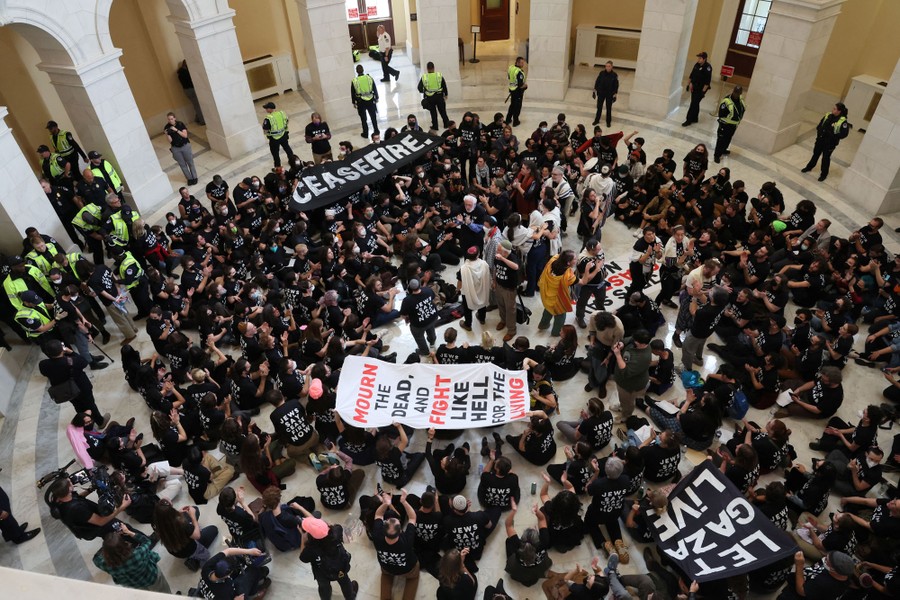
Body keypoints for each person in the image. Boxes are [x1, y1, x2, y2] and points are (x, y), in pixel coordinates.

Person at [39, 338, 107, 424]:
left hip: (66, 391)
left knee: (77, 406)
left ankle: (85, 423)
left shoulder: (43, 364)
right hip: (82, 388)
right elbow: (84, 362)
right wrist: (71, 352)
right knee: (90, 405)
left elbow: (45, 373)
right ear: (62, 349)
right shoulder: (72, 361)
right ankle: (100, 421)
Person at [372, 489, 419, 600]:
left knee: (386, 574)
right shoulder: (407, 540)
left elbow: (378, 514)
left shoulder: (377, 536)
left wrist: (386, 504)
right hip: (407, 569)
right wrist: (404, 501)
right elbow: (412, 517)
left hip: (387, 567)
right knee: (413, 577)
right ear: (400, 531)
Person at [298, 514, 358, 600]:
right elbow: (332, 525)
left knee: (324, 587)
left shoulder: (311, 549)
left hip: (322, 573)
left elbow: (303, 558)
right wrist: (321, 525)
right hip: (340, 566)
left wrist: (303, 538)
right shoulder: (337, 531)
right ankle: (350, 597)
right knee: (344, 581)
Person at [93, 526, 168, 593]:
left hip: (133, 584)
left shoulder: (104, 564)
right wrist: (128, 532)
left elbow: (95, 558)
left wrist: (109, 547)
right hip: (151, 577)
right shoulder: (137, 554)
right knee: (163, 591)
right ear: (124, 544)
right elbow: (147, 541)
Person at [198, 547, 271, 599]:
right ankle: (254, 592)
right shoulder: (226, 589)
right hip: (224, 596)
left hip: (212, 593)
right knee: (252, 570)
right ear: (228, 575)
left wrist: (250, 551)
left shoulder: (206, 568)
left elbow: (228, 551)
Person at [802, 102, 850, 181]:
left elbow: (844, 134)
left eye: (834, 109)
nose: (832, 109)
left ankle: (823, 174)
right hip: (820, 140)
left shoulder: (843, 121)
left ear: (839, 111)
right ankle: (809, 167)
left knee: (825, 158)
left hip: (830, 144)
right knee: (815, 154)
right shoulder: (828, 115)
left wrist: (833, 136)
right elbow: (820, 124)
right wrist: (819, 131)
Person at [611, 329, 652, 421]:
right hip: (621, 380)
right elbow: (627, 339)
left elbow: (625, 372)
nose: (633, 341)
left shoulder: (643, 357)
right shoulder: (638, 340)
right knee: (622, 398)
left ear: (642, 343)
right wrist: (622, 343)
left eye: (635, 341)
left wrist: (618, 355)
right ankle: (622, 405)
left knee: (628, 402)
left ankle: (626, 415)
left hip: (629, 385)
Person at [537, 250, 577, 337]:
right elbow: (582, 281)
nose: (576, 260)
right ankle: (556, 332)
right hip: (558, 300)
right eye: (574, 259)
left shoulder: (553, 260)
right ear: (568, 262)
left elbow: (560, 255)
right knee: (560, 316)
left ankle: (543, 325)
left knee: (548, 309)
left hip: (547, 294)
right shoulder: (568, 276)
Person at [399, 278, 439, 356]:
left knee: (419, 337)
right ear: (419, 285)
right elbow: (433, 298)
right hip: (433, 317)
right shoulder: (427, 290)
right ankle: (432, 342)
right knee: (431, 329)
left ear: (410, 288)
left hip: (419, 324)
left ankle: (424, 351)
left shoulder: (407, 300)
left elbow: (403, 314)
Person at [457, 246, 491, 331]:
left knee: (467, 308)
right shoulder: (484, 264)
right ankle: (482, 319)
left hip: (468, 291)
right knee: (482, 302)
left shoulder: (464, 268)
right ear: (478, 254)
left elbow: (460, 282)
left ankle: (468, 324)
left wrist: (458, 289)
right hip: (482, 288)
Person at [163, 112, 197, 185]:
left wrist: (176, 130)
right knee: (182, 164)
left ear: (175, 118)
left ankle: (195, 177)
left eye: (172, 119)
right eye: (169, 119)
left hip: (185, 146)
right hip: (175, 148)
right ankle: (189, 179)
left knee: (190, 162)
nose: (170, 120)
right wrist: (167, 134)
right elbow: (170, 141)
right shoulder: (166, 127)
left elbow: (185, 135)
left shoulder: (180, 124)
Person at [714, 86, 744, 163]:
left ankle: (724, 149)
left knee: (728, 138)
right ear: (733, 91)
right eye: (735, 92)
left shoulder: (740, 100)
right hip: (725, 124)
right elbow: (721, 113)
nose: (737, 95)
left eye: (738, 93)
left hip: (733, 125)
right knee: (721, 140)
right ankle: (717, 155)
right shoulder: (726, 101)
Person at [683, 51, 712, 127]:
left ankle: (688, 120)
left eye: (700, 58)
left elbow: (707, 82)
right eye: (698, 58)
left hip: (701, 89)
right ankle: (695, 118)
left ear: (704, 59)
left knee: (693, 104)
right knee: (695, 103)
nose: (698, 59)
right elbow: (691, 75)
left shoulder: (708, 68)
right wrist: (688, 84)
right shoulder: (696, 65)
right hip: (694, 87)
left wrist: (703, 92)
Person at [261, 101, 294, 168]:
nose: (266, 110)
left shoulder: (268, 118)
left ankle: (278, 167)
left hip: (274, 138)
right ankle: (292, 161)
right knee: (287, 148)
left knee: (275, 153)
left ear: (270, 109)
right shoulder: (282, 113)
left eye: (267, 108)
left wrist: (268, 135)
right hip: (283, 135)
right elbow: (287, 121)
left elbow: (265, 129)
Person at [418, 61, 449, 131]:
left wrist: (424, 91)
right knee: (442, 111)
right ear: (434, 68)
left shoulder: (424, 77)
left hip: (430, 98)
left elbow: (419, 87)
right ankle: (446, 124)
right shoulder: (439, 75)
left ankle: (435, 126)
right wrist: (446, 94)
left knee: (433, 112)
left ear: (427, 68)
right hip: (439, 96)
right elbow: (444, 85)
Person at [351, 65, 379, 139]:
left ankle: (365, 133)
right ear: (363, 70)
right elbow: (374, 87)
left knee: (363, 118)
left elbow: (353, 92)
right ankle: (376, 130)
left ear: (356, 71)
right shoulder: (369, 78)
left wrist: (354, 102)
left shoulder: (355, 81)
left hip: (360, 101)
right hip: (370, 99)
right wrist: (376, 97)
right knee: (373, 116)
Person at [176, 60, 205, 125]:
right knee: (197, 105)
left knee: (196, 105)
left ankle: (197, 118)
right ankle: (202, 120)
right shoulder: (187, 73)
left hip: (186, 91)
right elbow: (191, 82)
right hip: (191, 90)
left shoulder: (180, 73)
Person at [593, 60, 619, 128]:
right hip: (601, 93)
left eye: (609, 66)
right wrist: (595, 89)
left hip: (609, 94)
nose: (607, 67)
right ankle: (597, 120)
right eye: (606, 66)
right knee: (599, 107)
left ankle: (608, 122)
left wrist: (615, 93)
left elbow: (616, 85)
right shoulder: (601, 73)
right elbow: (597, 81)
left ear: (612, 67)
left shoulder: (614, 75)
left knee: (608, 108)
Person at [505, 56, 528, 127]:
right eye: (521, 63)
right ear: (517, 62)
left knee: (512, 105)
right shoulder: (519, 72)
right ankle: (515, 121)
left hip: (512, 90)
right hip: (518, 92)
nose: (523, 64)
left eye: (523, 62)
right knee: (517, 107)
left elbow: (509, 77)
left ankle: (508, 119)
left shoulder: (511, 68)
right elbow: (520, 84)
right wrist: (525, 86)